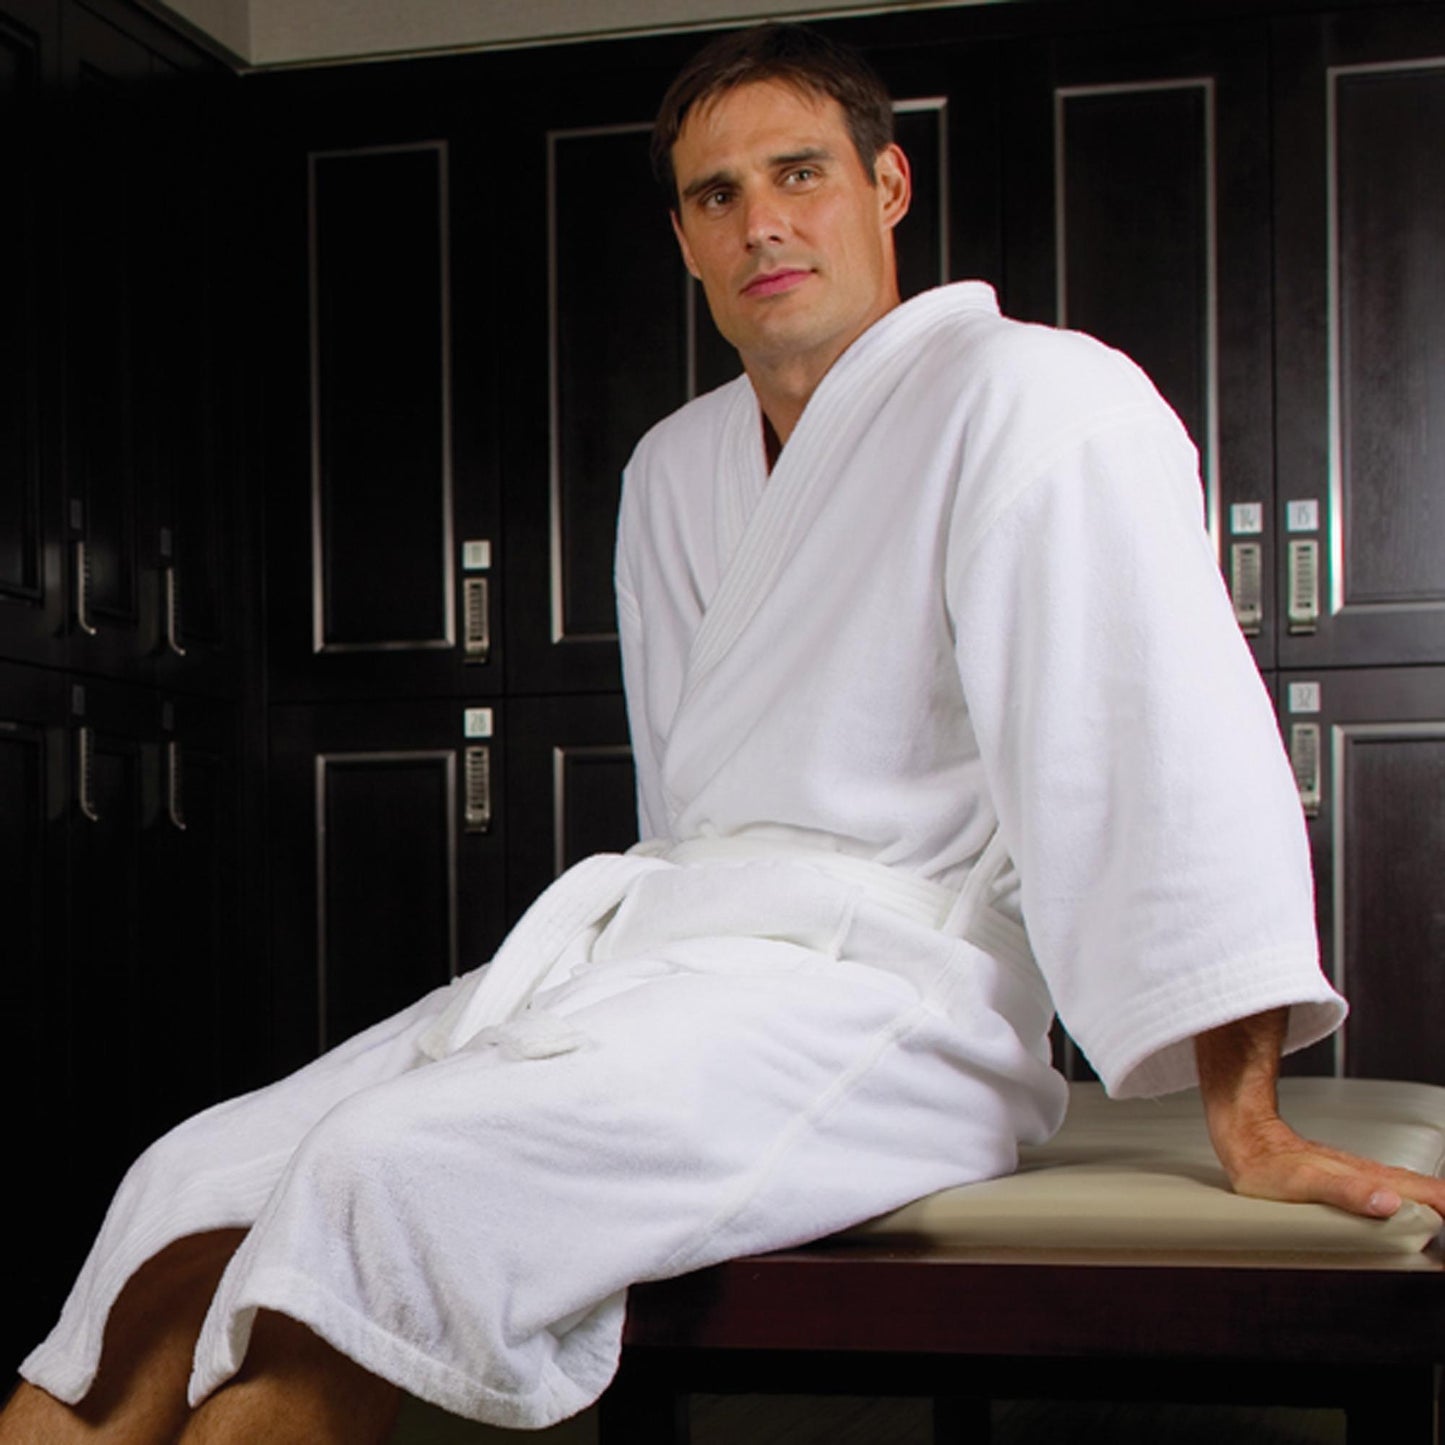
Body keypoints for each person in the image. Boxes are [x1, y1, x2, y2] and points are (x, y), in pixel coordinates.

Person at [6, 22, 1444, 1445]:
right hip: (661, 962)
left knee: (384, 1170)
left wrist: (1248, 1121)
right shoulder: (673, 466)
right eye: (717, 194)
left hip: (899, 1001)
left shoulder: (1038, 397)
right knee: (192, 1179)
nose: (762, 222)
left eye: (799, 173)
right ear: (686, 240)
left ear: (886, 186)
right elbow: (695, 808)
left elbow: (1154, 746)